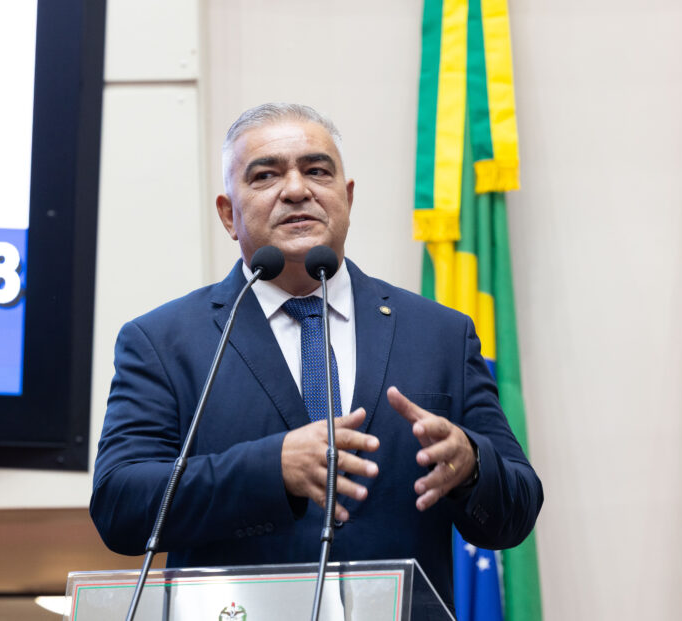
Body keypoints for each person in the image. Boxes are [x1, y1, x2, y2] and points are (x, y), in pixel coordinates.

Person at [90, 103, 542, 609]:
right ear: (227, 214)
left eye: (317, 170)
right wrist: (271, 469)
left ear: (346, 198)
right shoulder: (166, 342)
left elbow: (518, 509)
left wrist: (472, 465)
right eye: (265, 175)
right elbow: (120, 504)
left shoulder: (440, 334)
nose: (297, 189)